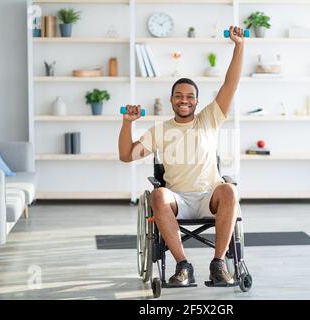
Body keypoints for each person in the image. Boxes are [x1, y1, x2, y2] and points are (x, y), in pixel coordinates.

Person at [118, 26, 245, 286]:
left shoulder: (210, 118)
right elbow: (127, 155)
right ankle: (183, 265)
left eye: (190, 97)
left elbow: (230, 83)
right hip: (179, 199)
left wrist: (239, 46)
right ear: (171, 100)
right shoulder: (160, 130)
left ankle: (218, 264)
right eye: (179, 96)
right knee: (158, 194)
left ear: (197, 102)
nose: (184, 100)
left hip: (210, 196)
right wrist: (127, 123)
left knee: (230, 190)